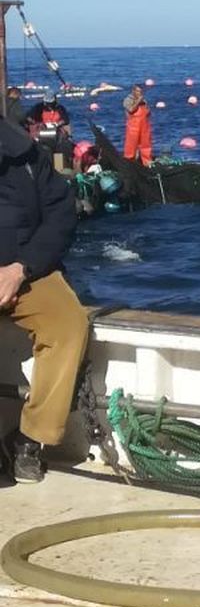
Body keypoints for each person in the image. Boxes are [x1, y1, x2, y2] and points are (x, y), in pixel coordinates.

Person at [1, 111, 92, 483]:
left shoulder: (27, 155)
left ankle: (30, 438)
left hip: (26, 269)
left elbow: (61, 216)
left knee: (69, 325)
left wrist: (20, 269)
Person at [122, 85, 153, 165]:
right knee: (131, 144)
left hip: (144, 125)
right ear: (134, 91)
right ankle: (129, 162)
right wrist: (138, 101)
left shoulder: (144, 101)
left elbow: (147, 112)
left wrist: (148, 111)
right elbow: (131, 109)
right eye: (139, 92)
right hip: (133, 126)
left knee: (146, 143)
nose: (140, 94)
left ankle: (147, 162)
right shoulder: (128, 100)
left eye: (141, 92)